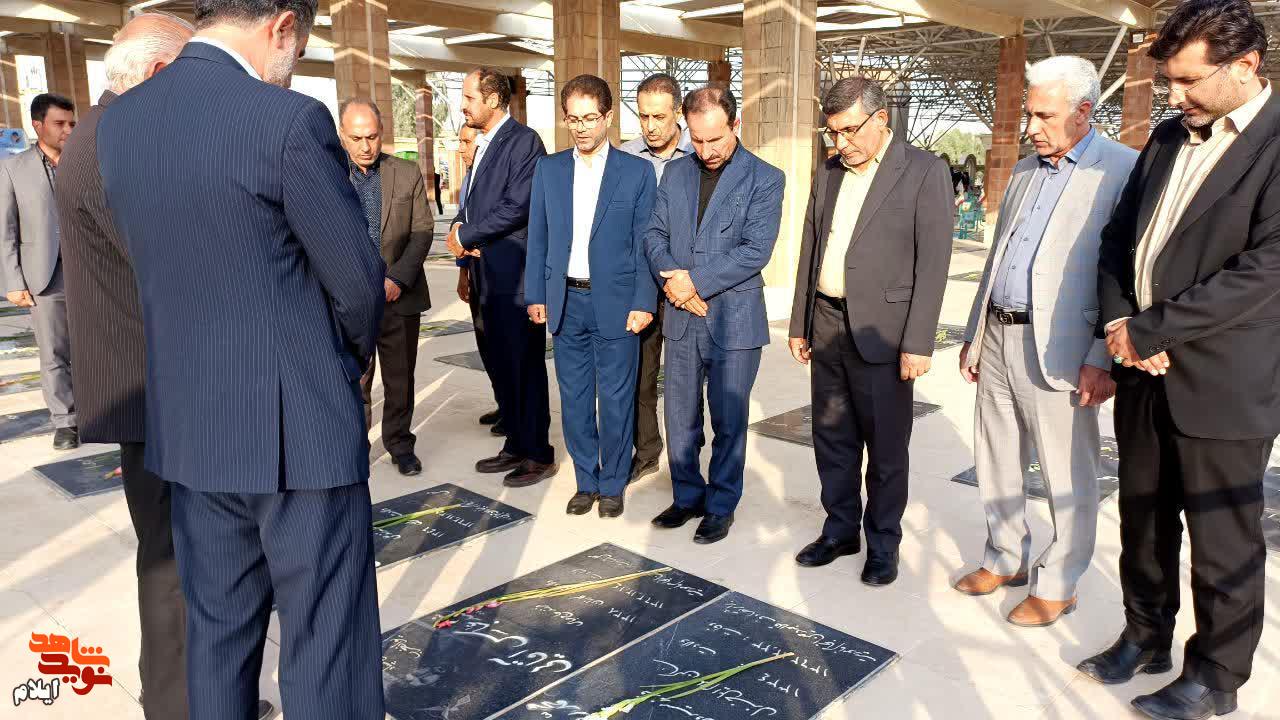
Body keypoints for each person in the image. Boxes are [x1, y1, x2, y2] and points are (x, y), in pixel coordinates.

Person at [95, 0, 386, 717]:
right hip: (298, 429)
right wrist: (345, 364)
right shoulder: (286, 121)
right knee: (325, 642)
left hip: (191, 424)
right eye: (299, 50)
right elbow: (356, 282)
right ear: (281, 26)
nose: (291, 69)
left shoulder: (123, 123)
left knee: (218, 638)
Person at [1081, 1, 1280, 717]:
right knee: (1143, 516)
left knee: (1223, 538)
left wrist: (1155, 330)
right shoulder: (1169, 136)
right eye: (1169, 79)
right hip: (1141, 367)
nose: (1174, 95)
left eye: (1189, 80)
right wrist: (1120, 323)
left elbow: (1265, 269)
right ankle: (1145, 635)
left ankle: (1217, 677)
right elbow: (1118, 238)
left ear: (1246, 65)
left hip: (1223, 380)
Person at [54, 17, 249, 720]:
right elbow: (171, 263)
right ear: (162, 73)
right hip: (155, 387)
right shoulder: (116, 141)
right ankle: (179, 705)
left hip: (152, 382)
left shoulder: (106, 131)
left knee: (185, 557)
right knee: (172, 562)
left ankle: (198, 695)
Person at [955, 57, 1137, 626]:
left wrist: (1100, 356)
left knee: (1066, 471)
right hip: (999, 335)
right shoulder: (1025, 170)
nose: (1030, 127)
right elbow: (1000, 255)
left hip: (1063, 347)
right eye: (1029, 114)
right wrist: (975, 333)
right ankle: (1005, 556)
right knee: (996, 457)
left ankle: (1059, 583)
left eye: (1044, 116)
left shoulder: (1122, 170)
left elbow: (1125, 273)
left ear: (1084, 111)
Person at [786, 77, 952, 586]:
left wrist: (918, 342)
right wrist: (800, 320)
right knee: (831, 437)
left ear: (881, 119)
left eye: (850, 131)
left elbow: (934, 263)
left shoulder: (923, 171)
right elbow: (811, 245)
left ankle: (883, 543)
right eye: (832, 132)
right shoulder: (829, 171)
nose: (841, 143)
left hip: (884, 331)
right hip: (827, 321)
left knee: (885, 447)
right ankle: (840, 530)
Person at [645, 85, 783, 545]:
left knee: (728, 421)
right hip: (682, 317)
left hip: (735, 320)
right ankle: (687, 496)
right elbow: (653, 235)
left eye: (715, 140)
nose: (705, 151)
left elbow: (755, 250)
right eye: (697, 140)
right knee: (680, 417)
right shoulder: (675, 173)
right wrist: (674, 284)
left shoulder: (765, 178)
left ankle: (721, 505)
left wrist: (693, 283)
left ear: (735, 125)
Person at [525, 74, 657, 518]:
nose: (581, 128)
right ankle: (586, 481)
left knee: (617, 399)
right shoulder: (548, 170)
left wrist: (644, 301)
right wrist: (536, 293)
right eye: (573, 119)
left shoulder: (636, 173)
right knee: (575, 399)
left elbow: (645, 244)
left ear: (608, 117)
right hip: (565, 301)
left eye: (590, 118)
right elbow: (538, 236)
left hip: (617, 303)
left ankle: (613, 483)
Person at [446, 67, 555, 487]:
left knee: (524, 366)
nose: (463, 105)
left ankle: (538, 453)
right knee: (501, 363)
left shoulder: (524, 142)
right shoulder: (484, 143)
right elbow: (472, 204)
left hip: (514, 276)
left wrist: (467, 235)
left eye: (469, 97)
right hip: (486, 275)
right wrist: (460, 230)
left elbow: (517, 206)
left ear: (493, 100)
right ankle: (515, 443)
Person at [339, 98, 434, 477]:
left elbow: (423, 230)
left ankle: (400, 443)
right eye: (357, 138)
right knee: (355, 380)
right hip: (349, 301)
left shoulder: (406, 173)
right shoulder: (329, 174)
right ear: (342, 136)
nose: (366, 146)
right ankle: (354, 447)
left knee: (400, 379)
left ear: (382, 133)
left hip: (399, 298)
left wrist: (397, 279)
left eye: (373, 137)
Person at [619, 72, 693, 485]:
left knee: (685, 383)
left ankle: (687, 461)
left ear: (677, 112)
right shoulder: (626, 157)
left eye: (659, 117)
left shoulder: (700, 152)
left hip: (687, 288)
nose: (650, 126)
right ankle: (646, 451)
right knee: (640, 377)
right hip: (642, 287)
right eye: (643, 116)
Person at [0, 93, 78, 450]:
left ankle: (100, 412)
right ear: (37, 125)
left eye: (71, 123)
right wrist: (13, 281)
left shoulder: (84, 162)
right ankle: (66, 421)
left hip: (88, 272)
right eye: (59, 123)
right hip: (44, 276)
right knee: (54, 352)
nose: (68, 130)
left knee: (93, 349)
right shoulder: (12, 169)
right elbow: (6, 229)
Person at [454, 124, 503, 433]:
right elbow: (462, 224)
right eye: (460, 141)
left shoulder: (493, 179)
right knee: (484, 341)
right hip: (475, 273)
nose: (462, 148)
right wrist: (463, 273)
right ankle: (503, 402)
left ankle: (513, 410)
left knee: (502, 345)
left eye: (467, 142)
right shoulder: (468, 179)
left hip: (500, 276)